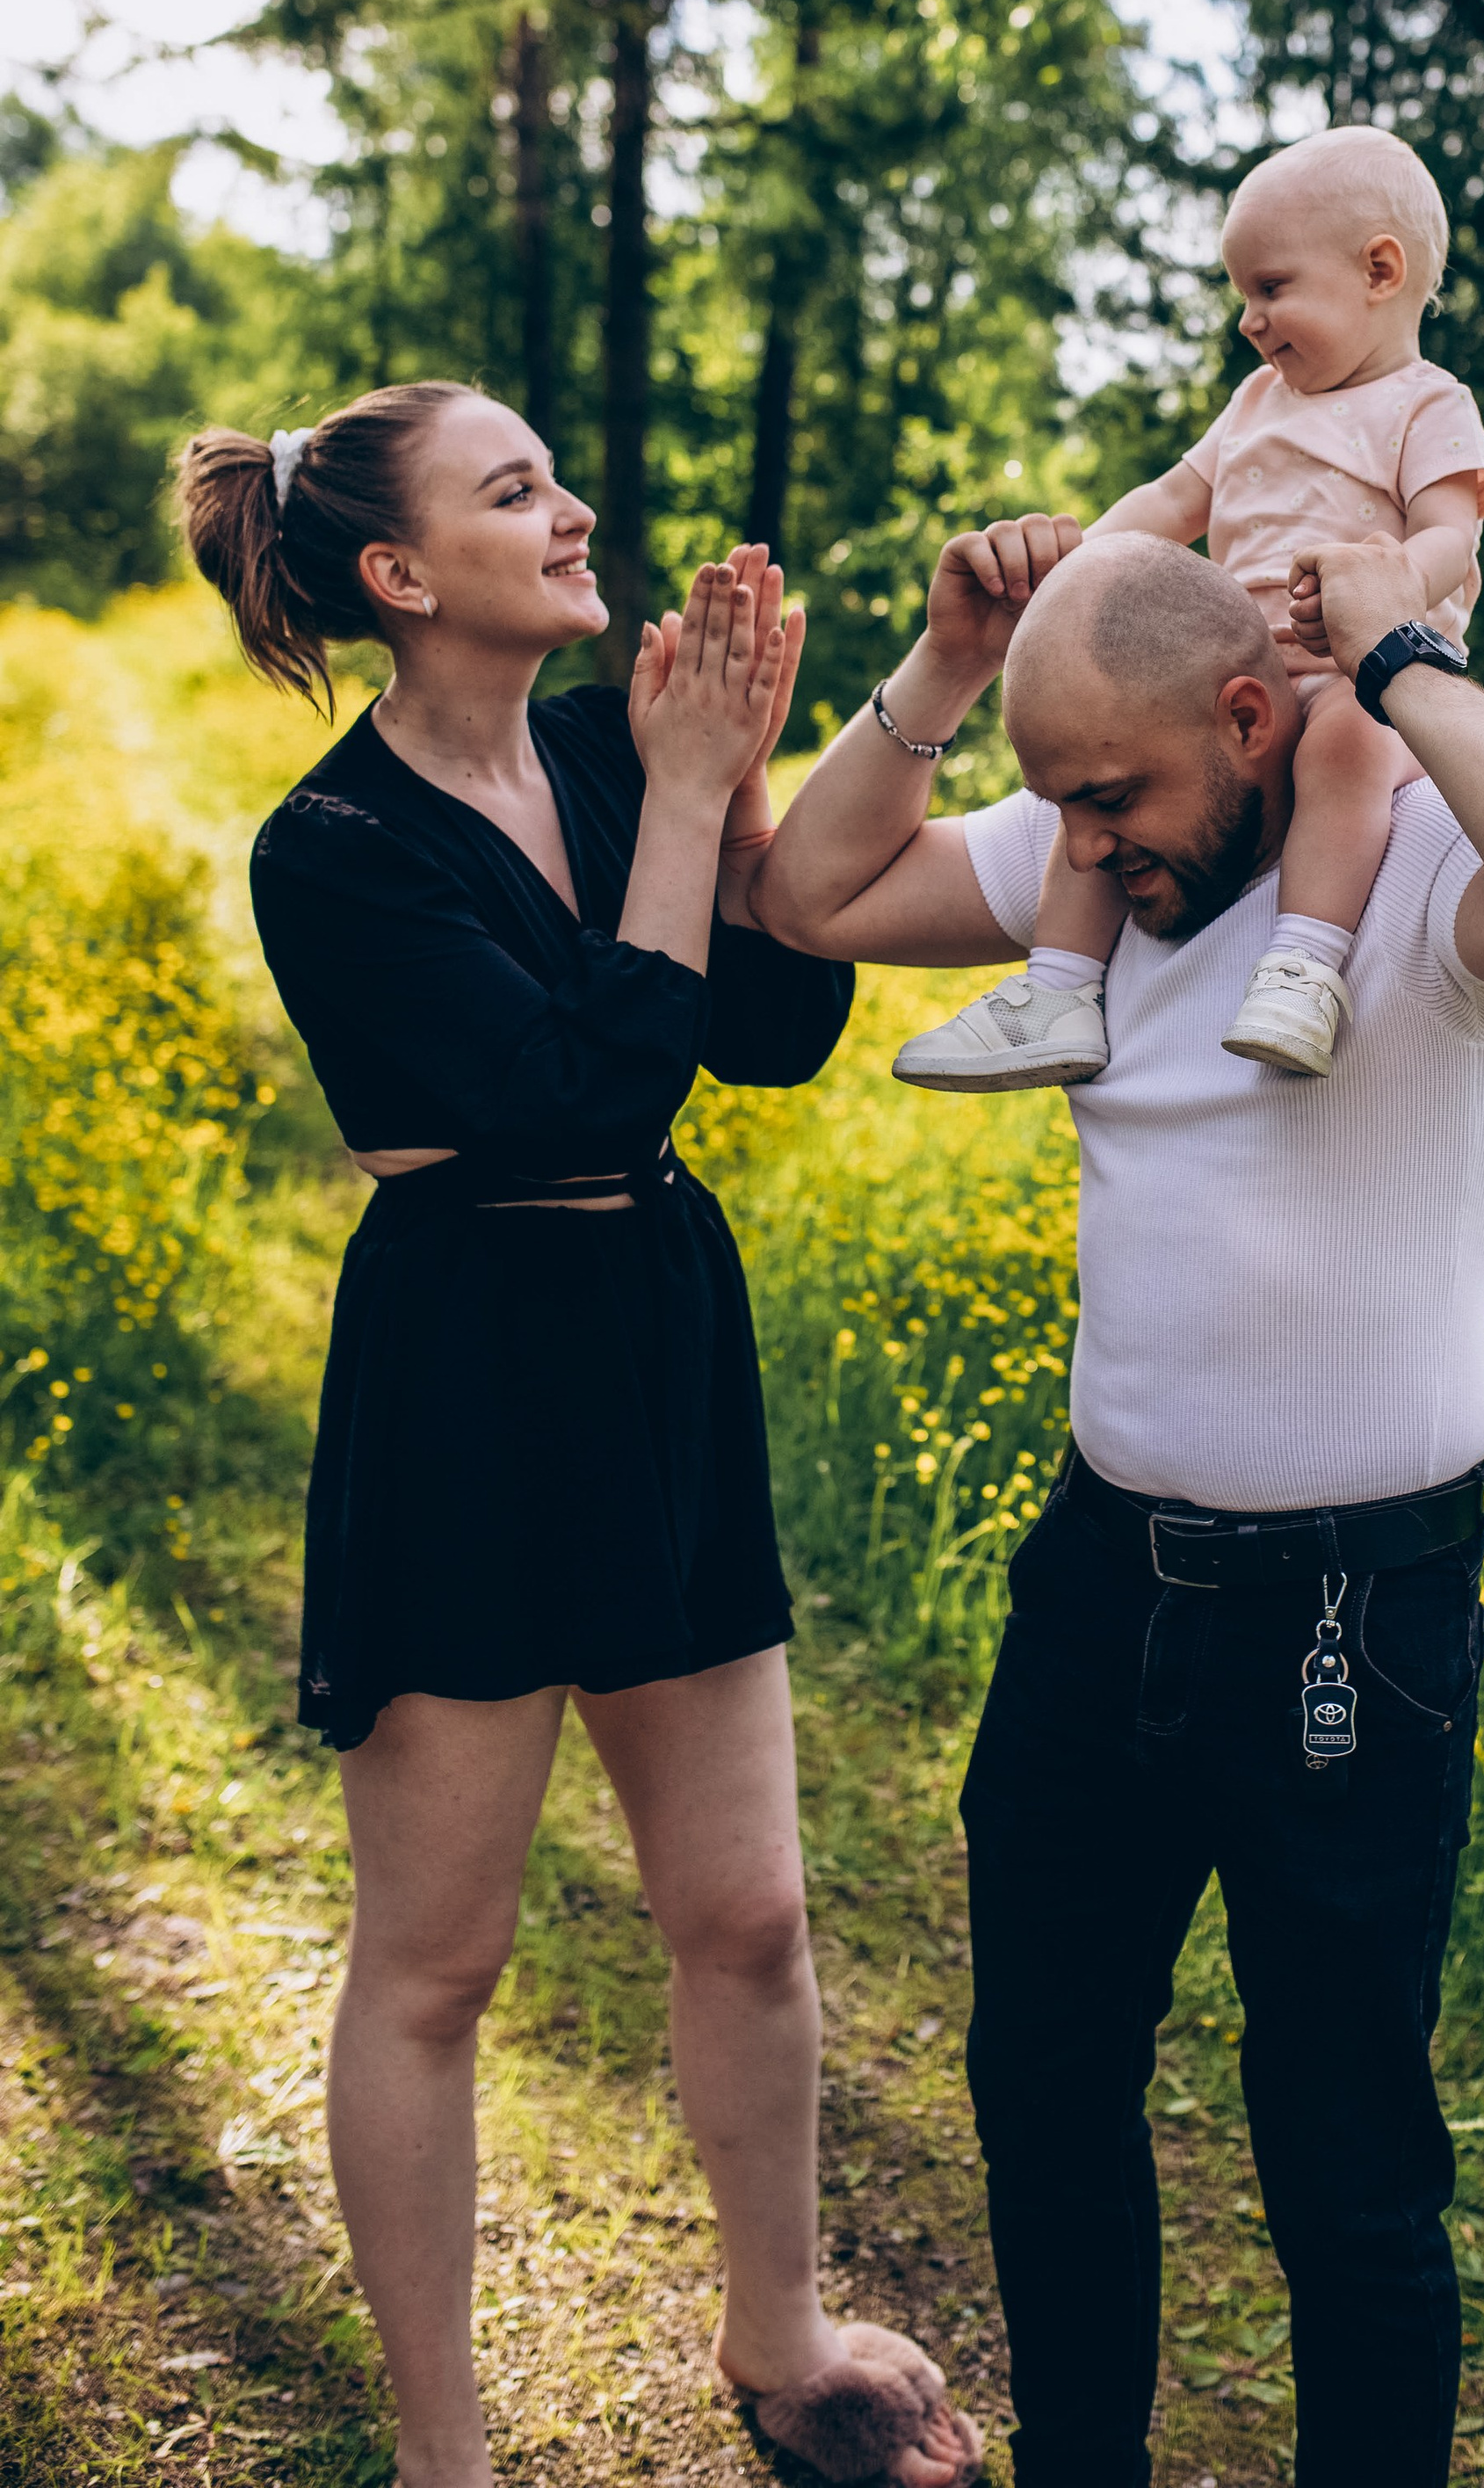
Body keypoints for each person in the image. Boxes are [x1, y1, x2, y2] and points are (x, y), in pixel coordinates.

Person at [755, 510, 1484, 2488]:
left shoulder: (1432, 873)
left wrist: (1409, 660)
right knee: (1043, 2082)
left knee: (1345, 2153)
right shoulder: (1100, 854)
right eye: (1060, 810)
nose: (1082, 853)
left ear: (1260, 713)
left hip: (1352, 1618)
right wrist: (941, 664)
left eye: (1112, 797)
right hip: (1102, 1581)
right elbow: (806, 896)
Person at [176, 383, 980, 2488]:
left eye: (557, 475)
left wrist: (773, 766)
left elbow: (777, 1029)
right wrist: (689, 785)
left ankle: (779, 2332)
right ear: (398, 573)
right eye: (514, 488)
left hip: (649, 1345)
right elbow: (576, 1096)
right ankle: (448, 2459)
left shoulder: (616, 758)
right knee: (436, 1962)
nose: (574, 506)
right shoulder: (329, 849)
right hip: (464, 1377)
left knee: (751, 1912)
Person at [892, 127, 1484, 1091]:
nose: (1249, 321)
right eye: (1242, 297)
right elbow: (1168, 504)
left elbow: (1451, 535)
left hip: (1358, 670)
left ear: (1379, 270)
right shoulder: (1257, 403)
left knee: (1343, 752)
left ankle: (1304, 967)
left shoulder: (1428, 405)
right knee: (1111, 775)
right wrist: (1074, 572)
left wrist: (1385, 592)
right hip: (1235, 668)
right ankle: (1057, 988)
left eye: (1269, 289)